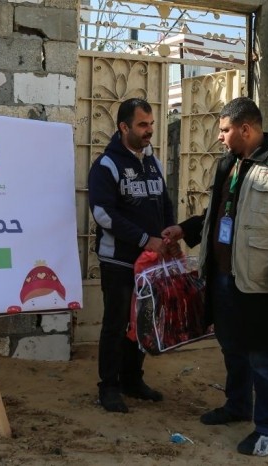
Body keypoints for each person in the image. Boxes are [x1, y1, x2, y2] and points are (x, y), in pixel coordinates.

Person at [162, 97, 268, 455]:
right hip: (224, 277)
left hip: (261, 281)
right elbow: (216, 215)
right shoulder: (228, 163)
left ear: (246, 129)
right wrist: (184, 230)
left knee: (264, 355)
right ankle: (237, 406)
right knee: (232, 347)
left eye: (225, 129)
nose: (220, 136)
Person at [88, 97, 176, 413]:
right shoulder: (106, 165)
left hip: (150, 264)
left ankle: (132, 380)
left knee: (142, 323)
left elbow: (164, 202)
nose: (149, 130)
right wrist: (144, 239)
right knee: (116, 324)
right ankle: (108, 387)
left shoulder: (153, 162)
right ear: (124, 127)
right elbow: (103, 214)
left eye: (151, 124)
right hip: (118, 261)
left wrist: (170, 234)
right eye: (142, 125)